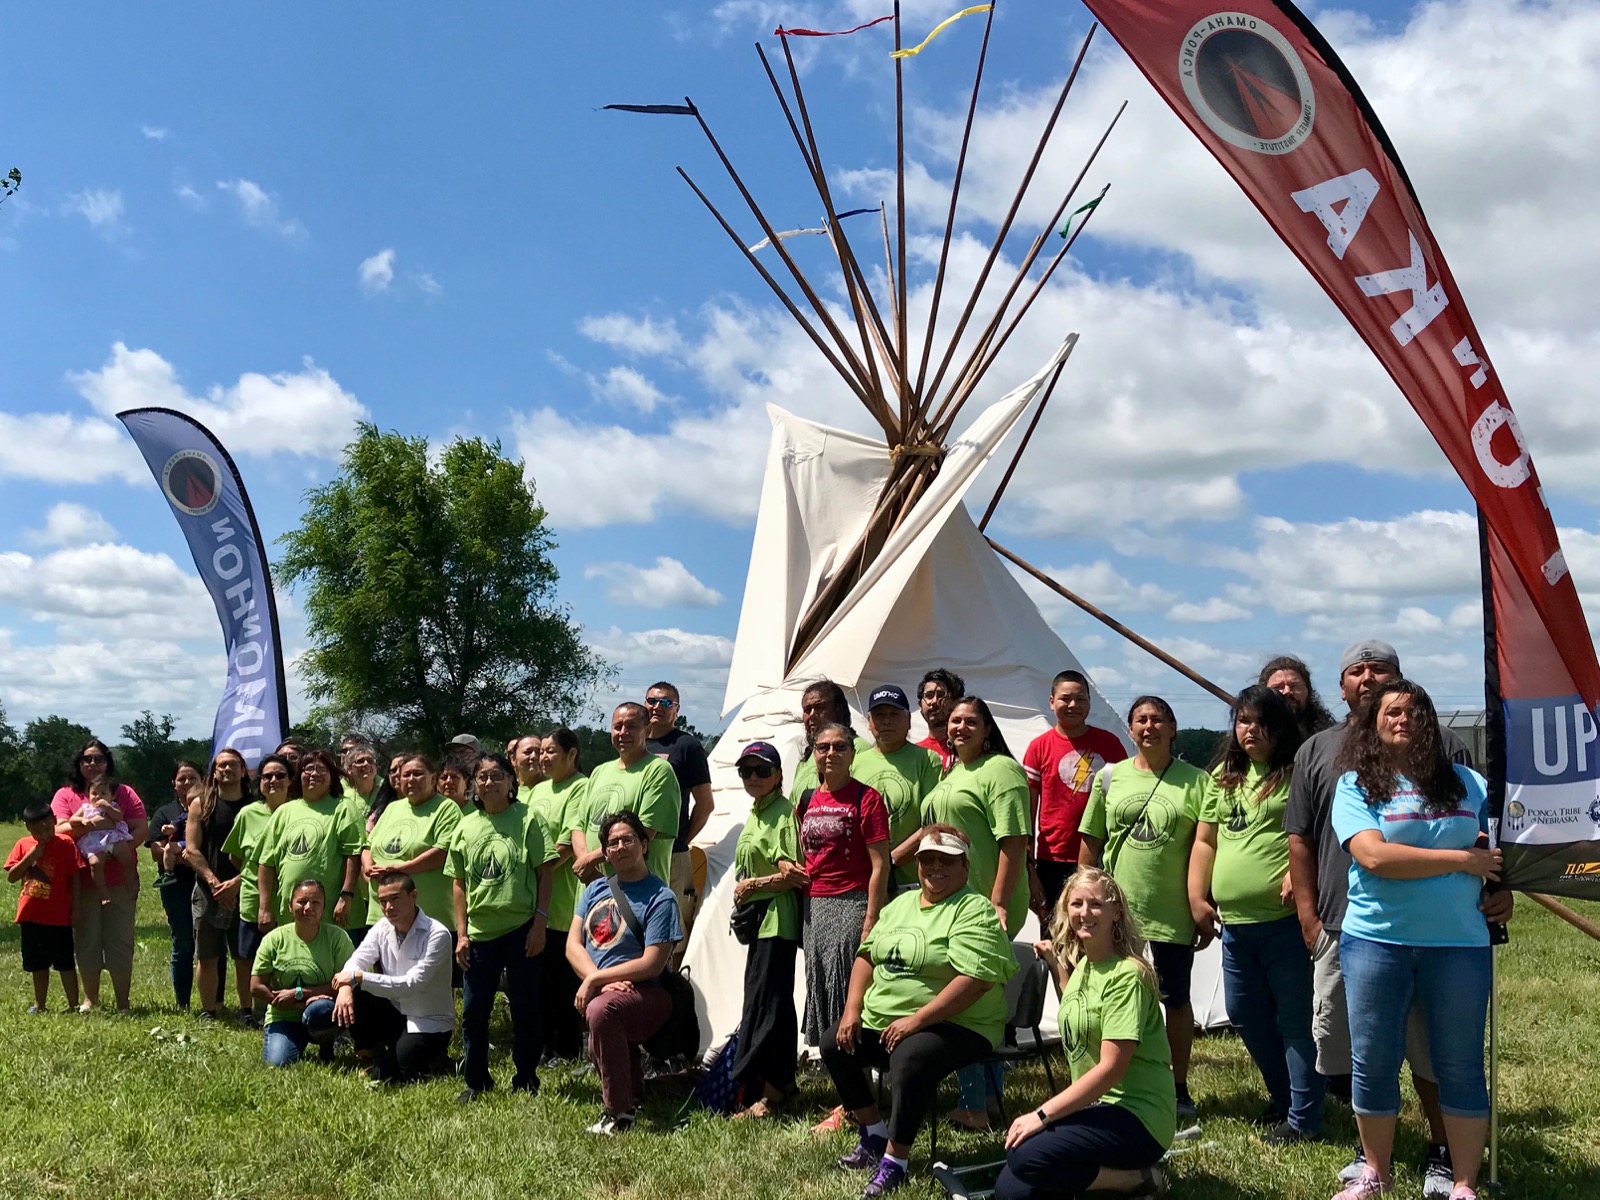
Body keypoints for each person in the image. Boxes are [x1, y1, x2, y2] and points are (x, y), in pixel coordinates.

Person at [1285, 639, 1505, 1197]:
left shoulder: (1471, 785)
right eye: (1391, 713)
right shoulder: (1355, 786)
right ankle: (1374, 1174)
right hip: (1375, 942)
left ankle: (1462, 1183)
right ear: (1373, 724)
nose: (1402, 719)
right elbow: (1375, 857)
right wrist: (1463, 860)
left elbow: (1497, 855)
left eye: (1412, 711)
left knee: (1457, 1064)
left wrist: (1501, 889)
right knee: (1373, 1062)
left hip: (1458, 944)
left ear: (1428, 721)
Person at [822, 826, 1018, 1198]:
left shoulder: (974, 909)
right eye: (928, 859)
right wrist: (852, 1010)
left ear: (964, 866)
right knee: (835, 1043)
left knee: (910, 1057)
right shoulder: (900, 905)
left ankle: (896, 1162)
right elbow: (866, 955)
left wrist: (917, 1020)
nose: (935, 867)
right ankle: (874, 1136)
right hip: (892, 1022)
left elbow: (977, 980)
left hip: (962, 1023)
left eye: (947, 860)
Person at [1189, 686, 1321, 1142]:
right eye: (1243, 721)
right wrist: (1197, 897)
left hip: (1283, 922)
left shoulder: (1296, 772)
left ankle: (1304, 1117)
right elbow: (1205, 842)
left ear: (1281, 727)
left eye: (1262, 722)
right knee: (1245, 1012)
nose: (1251, 730)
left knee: (1294, 1017)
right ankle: (1287, 1100)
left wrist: (1300, 874)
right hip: (1236, 926)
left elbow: (1318, 833)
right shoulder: (1224, 777)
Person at [994, 868, 1174, 1200]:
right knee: (1010, 1189)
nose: (1084, 913)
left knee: (1026, 1156)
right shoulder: (1085, 968)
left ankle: (1134, 1180)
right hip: (1098, 1108)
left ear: (1116, 911)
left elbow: (1112, 1068)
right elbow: (1078, 1009)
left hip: (1139, 1118)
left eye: (1096, 904)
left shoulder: (1127, 975)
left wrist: (1041, 1115)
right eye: (1076, 904)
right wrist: (1055, 965)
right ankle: (1095, 1178)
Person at [1080, 695, 1210, 1120]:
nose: (1149, 727)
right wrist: (1080, 898)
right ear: (1130, 730)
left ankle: (1177, 1086)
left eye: (1158, 719)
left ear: (1173, 728)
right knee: (1109, 998)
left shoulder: (1197, 781)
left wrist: (1202, 901)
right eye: (1140, 720)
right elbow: (1092, 842)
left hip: (1171, 910)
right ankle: (1108, 1081)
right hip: (1116, 911)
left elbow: (1207, 846)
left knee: (1174, 999)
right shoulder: (1109, 778)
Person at [906, 695, 1031, 1130]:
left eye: (970, 721)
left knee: (970, 1002)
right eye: (955, 720)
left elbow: (1013, 842)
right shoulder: (953, 769)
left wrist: (997, 901)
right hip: (951, 903)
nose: (959, 727)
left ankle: (976, 1105)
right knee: (968, 997)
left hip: (984, 903)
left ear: (988, 727)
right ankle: (985, 1098)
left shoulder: (1002, 771)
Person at [568, 810, 683, 1136]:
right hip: (605, 990)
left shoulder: (661, 897)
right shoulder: (594, 890)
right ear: (604, 853)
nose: (620, 847)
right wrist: (598, 980)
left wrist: (595, 981)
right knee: (601, 1024)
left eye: (628, 839)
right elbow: (572, 945)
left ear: (644, 844)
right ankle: (636, 1093)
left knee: (603, 1013)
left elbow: (652, 963)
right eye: (612, 843)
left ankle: (620, 1114)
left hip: (649, 992)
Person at [447, 751, 554, 1101]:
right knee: (474, 1011)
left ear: (511, 781)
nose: (489, 782)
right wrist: (461, 935)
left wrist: (540, 923)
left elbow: (544, 872)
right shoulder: (465, 825)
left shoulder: (528, 819)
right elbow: (459, 883)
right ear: (474, 786)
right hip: (479, 934)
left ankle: (526, 1077)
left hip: (522, 929)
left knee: (526, 1007)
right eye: (482, 777)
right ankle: (476, 1081)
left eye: (497, 776)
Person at [800, 722, 892, 1048]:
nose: (831, 754)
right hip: (814, 904)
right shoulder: (807, 799)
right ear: (814, 753)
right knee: (821, 979)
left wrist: (871, 916)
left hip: (852, 901)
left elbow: (881, 863)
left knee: (846, 984)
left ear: (853, 754)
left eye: (840, 747)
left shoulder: (866, 798)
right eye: (823, 747)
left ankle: (858, 1072)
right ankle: (835, 1065)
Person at [729, 741, 806, 1118]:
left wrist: (753, 886)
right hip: (760, 922)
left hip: (778, 919)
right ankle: (776, 1084)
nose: (753, 778)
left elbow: (793, 874)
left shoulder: (781, 814)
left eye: (761, 770)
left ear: (778, 775)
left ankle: (773, 1092)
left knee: (770, 1004)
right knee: (765, 1000)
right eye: (746, 771)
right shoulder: (757, 813)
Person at [332, 870, 455, 1084]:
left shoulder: (437, 934)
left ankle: (436, 1059)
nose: (388, 907)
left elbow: (411, 984)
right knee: (357, 992)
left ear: (413, 896)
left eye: (395, 899)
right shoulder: (382, 927)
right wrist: (345, 987)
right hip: (395, 1012)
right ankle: (369, 1053)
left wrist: (357, 977)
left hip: (428, 1021)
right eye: (383, 901)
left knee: (388, 1077)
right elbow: (357, 959)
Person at [51, 739, 146, 1013]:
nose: (93, 764)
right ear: (78, 764)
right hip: (82, 880)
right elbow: (59, 831)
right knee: (87, 940)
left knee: (120, 942)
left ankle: (123, 1002)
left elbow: (140, 827)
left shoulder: (125, 793)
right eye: (87, 759)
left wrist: (118, 850)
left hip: (120, 882)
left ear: (108, 762)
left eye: (99, 759)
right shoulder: (66, 795)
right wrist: (96, 826)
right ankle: (90, 999)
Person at [1024, 670, 1128, 913]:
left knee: (1098, 932)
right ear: (1052, 702)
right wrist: (1030, 871)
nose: (1073, 705)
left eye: (1081, 699)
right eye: (1065, 698)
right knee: (1054, 935)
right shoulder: (1039, 747)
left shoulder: (1110, 744)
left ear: (1090, 702)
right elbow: (1028, 814)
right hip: (1052, 858)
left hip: (1101, 856)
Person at [528, 728, 589, 1061]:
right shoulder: (537, 791)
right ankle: (544, 1044)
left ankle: (567, 1048)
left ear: (572, 754)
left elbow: (566, 844)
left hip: (562, 901)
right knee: (538, 981)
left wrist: (535, 868)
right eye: (541, 752)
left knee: (561, 979)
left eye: (551, 751)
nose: (543, 758)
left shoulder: (581, 787)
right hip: (531, 898)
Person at [220, 752, 293, 1023]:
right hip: (253, 898)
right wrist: (252, 877)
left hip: (289, 899)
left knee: (284, 955)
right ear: (259, 782)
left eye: (280, 775)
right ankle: (247, 1009)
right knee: (247, 957)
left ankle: (281, 1006)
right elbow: (235, 855)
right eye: (267, 776)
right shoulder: (248, 814)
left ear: (290, 780)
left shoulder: (298, 811)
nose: (273, 781)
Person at [256, 749, 362, 932]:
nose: (314, 774)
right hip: (291, 916)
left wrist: (346, 895)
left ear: (332, 777)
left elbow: (353, 855)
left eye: (321, 769)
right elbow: (266, 863)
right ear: (299, 776)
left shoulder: (344, 808)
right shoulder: (284, 811)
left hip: (334, 915)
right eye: (308, 769)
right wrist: (264, 907)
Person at [250, 878, 353, 1066]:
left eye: (315, 903)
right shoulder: (274, 939)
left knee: (321, 1009)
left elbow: (348, 982)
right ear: (290, 906)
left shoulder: (337, 938)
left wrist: (300, 994)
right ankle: (292, 1039)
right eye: (302, 902)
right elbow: (256, 987)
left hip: (322, 1011)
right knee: (278, 1064)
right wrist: (286, 1003)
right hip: (283, 1015)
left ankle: (327, 1045)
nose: (308, 908)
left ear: (323, 908)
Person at [184, 748, 255, 1021]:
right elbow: (191, 849)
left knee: (244, 956)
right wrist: (215, 884)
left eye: (232, 765)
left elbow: (262, 854)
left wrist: (237, 883)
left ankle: (247, 1010)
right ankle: (209, 1010)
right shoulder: (201, 804)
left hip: (245, 890)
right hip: (207, 891)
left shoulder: (255, 806)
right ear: (214, 772)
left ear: (242, 769)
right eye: (221, 766)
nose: (227, 770)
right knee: (207, 956)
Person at [644, 681, 713, 956]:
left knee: (673, 933)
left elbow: (705, 804)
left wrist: (682, 838)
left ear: (677, 710)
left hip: (673, 855)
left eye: (666, 703)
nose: (657, 707)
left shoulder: (687, 746)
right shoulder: (633, 742)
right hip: (632, 853)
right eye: (652, 700)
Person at [575, 703, 679, 884]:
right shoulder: (600, 771)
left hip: (637, 892)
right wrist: (586, 863)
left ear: (647, 730)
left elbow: (644, 832)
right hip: (592, 888)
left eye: (631, 726)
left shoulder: (658, 771)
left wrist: (592, 859)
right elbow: (578, 826)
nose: (623, 732)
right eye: (617, 727)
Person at [853, 684, 943, 891]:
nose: (886, 720)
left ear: (909, 721)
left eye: (894, 714)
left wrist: (892, 859)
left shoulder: (927, 760)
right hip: (863, 877)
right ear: (868, 721)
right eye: (879, 714)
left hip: (911, 879)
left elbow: (933, 821)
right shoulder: (856, 761)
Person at [362, 753, 462, 929]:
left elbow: (443, 853)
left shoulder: (446, 808)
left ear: (433, 779)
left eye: (418, 774)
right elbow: (368, 846)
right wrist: (368, 866)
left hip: (427, 918)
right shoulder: (392, 808)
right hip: (382, 916)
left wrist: (401, 870)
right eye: (406, 775)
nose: (411, 779)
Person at [6, 803, 81, 1013]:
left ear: (55, 822)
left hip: (59, 917)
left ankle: (73, 1005)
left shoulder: (65, 843)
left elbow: (75, 877)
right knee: (37, 964)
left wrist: (76, 909)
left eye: (48, 828)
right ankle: (40, 1004)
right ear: (28, 828)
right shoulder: (23, 845)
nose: (44, 834)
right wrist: (30, 857)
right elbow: (12, 877)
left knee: (65, 963)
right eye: (38, 831)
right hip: (31, 916)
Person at [147, 761, 202, 1010]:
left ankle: (214, 1002)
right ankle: (183, 1003)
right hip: (175, 884)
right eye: (182, 779)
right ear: (174, 783)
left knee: (210, 944)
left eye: (192, 778)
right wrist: (177, 855)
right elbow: (155, 848)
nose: (187, 783)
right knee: (183, 942)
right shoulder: (165, 812)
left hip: (204, 882)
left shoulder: (209, 807)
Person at [790, 679, 871, 802]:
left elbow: (864, 800)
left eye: (820, 707)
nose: (812, 714)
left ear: (838, 710)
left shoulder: (858, 748)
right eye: (807, 709)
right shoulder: (806, 760)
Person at [338, 741, 385, 938]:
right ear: (348, 769)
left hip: (380, 868)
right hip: (353, 876)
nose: (365, 764)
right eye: (359, 761)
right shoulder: (342, 796)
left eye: (369, 760)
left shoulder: (387, 789)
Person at [71, 780, 134, 901]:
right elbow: (72, 819)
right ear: (88, 795)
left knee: (126, 857)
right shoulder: (85, 808)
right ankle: (104, 894)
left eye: (103, 793)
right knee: (95, 864)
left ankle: (131, 883)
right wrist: (82, 820)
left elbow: (119, 818)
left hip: (112, 837)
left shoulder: (113, 806)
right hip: (94, 840)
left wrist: (107, 807)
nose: (98, 797)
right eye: (94, 793)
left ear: (112, 796)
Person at [1260, 654, 1338, 742]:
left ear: (1309, 691)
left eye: (1294, 686)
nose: (1287, 691)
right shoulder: (1252, 737)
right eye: (1278, 687)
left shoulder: (1330, 738)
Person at [916, 668, 966, 772]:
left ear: (956, 703)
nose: (934, 701)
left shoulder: (969, 748)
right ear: (920, 705)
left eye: (941, 695)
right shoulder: (913, 753)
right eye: (929, 695)